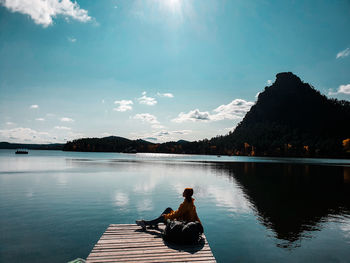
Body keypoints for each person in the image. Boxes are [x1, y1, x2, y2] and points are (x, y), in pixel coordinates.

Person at [136, 188, 202, 230]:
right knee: (168, 209)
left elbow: (176, 215)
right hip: (182, 219)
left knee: (163, 217)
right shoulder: (190, 202)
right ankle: (155, 223)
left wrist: (165, 216)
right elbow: (179, 212)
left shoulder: (186, 204)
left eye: (184, 191)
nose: (182, 192)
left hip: (183, 223)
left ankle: (145, 223)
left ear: (186, 194)